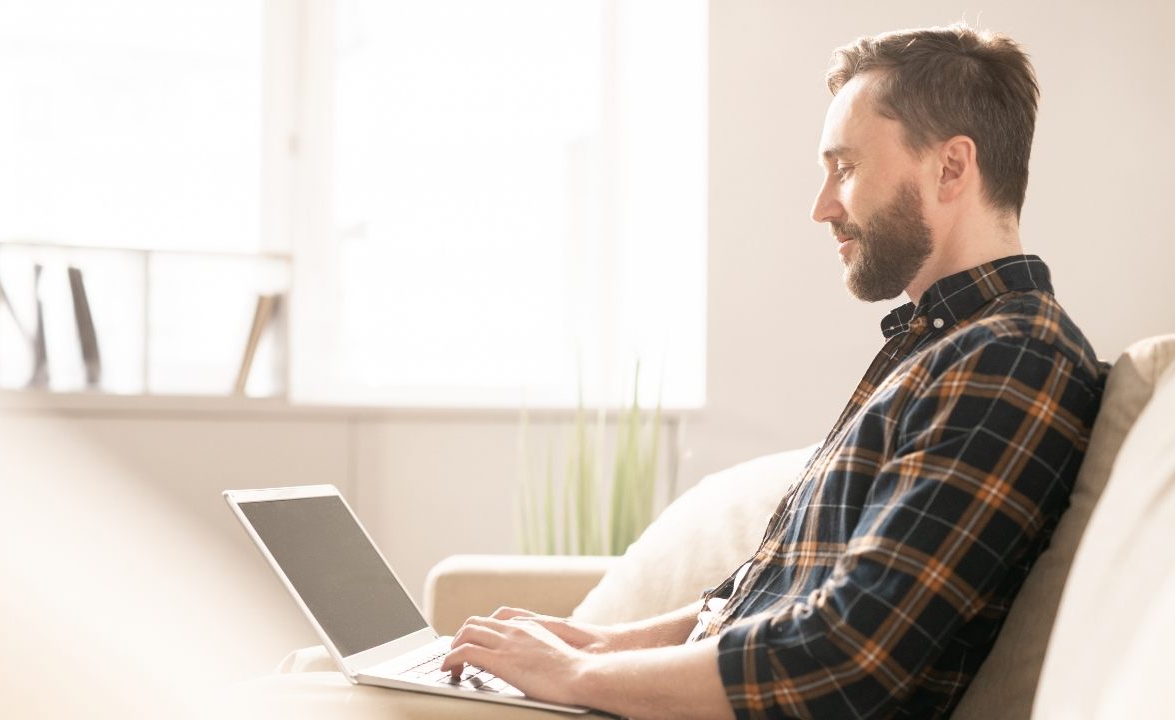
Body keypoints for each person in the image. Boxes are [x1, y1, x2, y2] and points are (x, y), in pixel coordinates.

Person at [441, 23, 1109, 719]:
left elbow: (846, 656)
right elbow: (771, 600)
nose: (821, 206)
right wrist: (596, 647)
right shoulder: (939, 350)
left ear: (949, 168)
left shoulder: (1012, 359)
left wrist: (576, 679)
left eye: (845, 168)